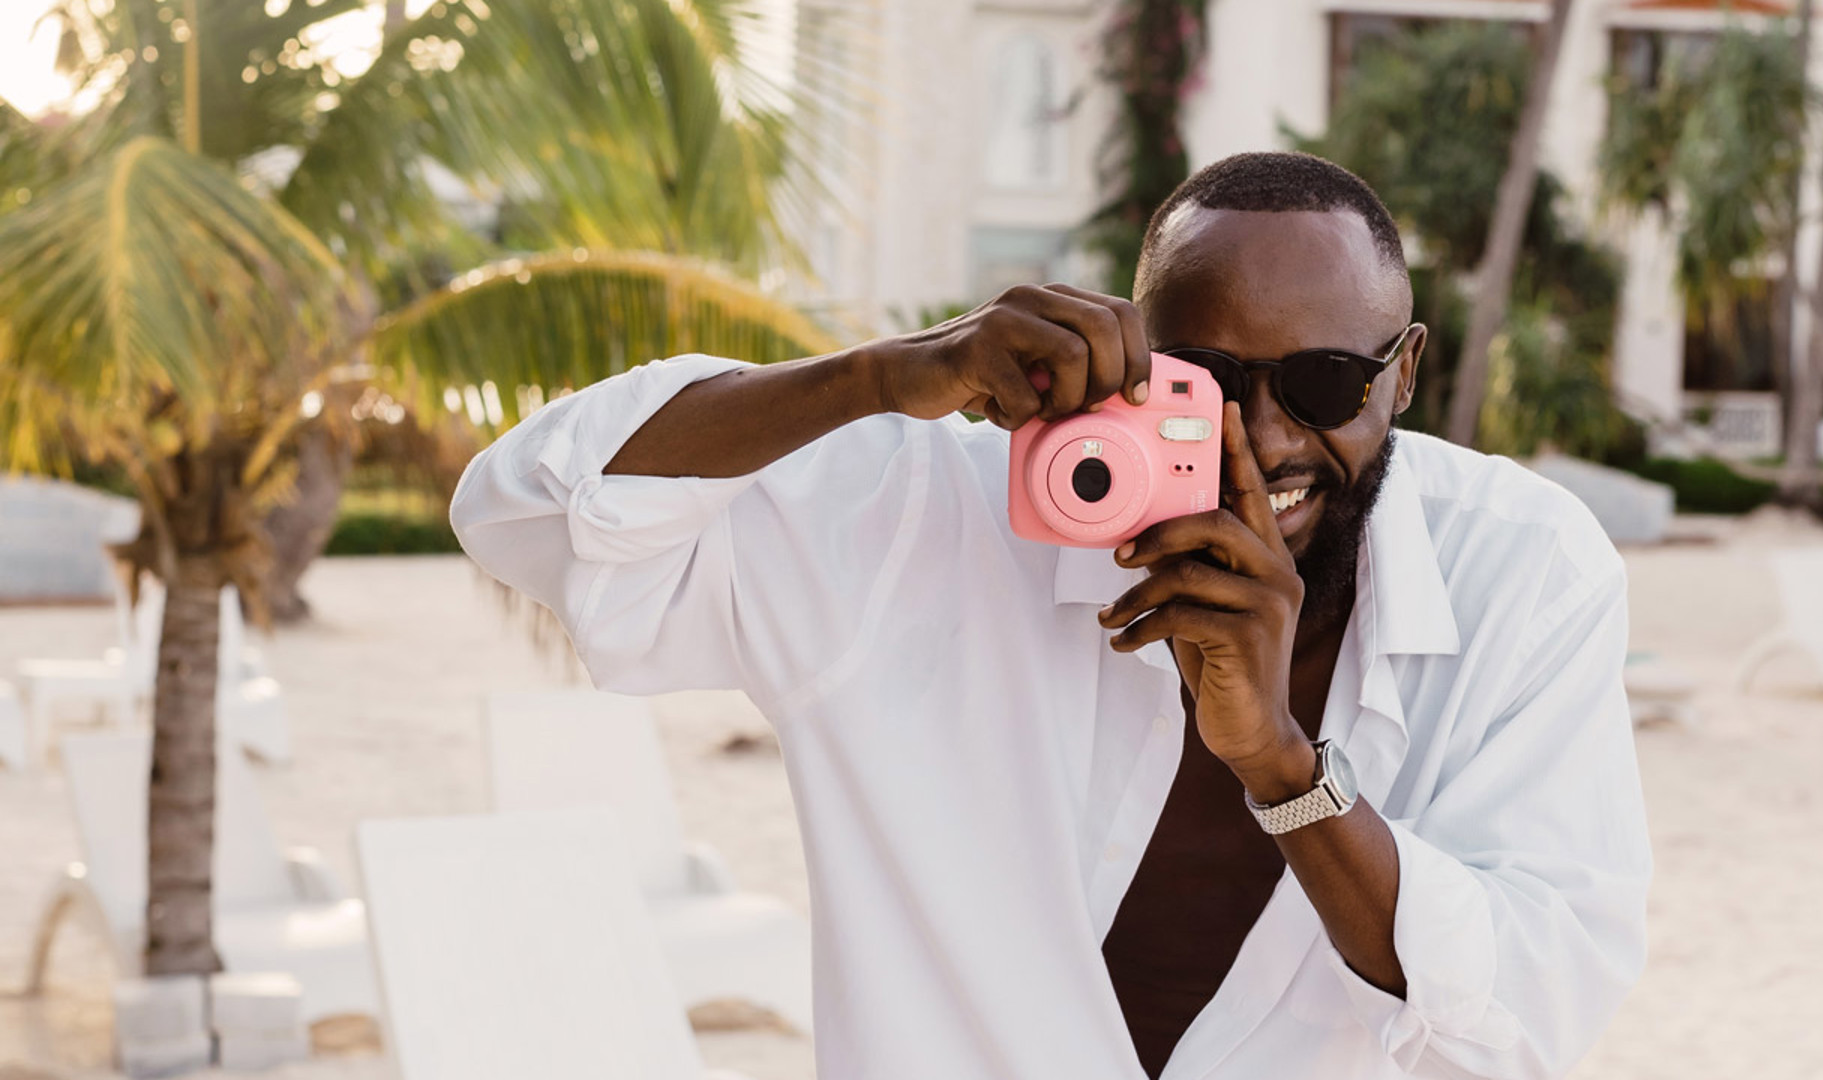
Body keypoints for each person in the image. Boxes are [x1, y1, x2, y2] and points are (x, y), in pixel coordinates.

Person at [451, 151, 1651, 1080]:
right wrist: (880, 377)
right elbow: (530, 508)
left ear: (1406, 370)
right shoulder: (933, 519)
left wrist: (1280, 764)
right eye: (1207, 386)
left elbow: (1527, 1004)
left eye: (1327, 383)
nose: (1267, 439)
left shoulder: (1527, 571)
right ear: (1137, 359)